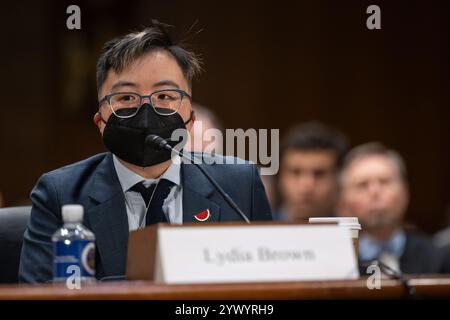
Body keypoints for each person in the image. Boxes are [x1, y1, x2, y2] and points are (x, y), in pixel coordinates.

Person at [19, 21, 272, 283]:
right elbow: (35, 293)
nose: (146, 111)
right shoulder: (59, 194)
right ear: (100, 122)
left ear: (191, 118)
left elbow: (271, 286)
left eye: (164, 96)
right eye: (127, 98)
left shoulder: (238, 186)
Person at [337, 142, 446, 275]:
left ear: (405, 192)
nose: (375, 192)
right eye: (362, 185)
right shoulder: (335, 262)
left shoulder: (438, 257)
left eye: (384, 181)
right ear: (344, 201)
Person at [275, 122, 348, 221]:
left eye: (319, 174)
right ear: (280, 177)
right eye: (296, 172)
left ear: (339, 178)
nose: (306, 186)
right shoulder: (257, 231)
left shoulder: (355, 233)